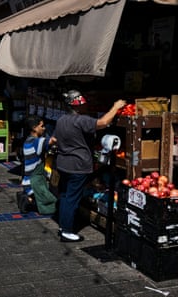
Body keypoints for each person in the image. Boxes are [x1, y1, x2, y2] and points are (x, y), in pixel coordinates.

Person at [53, 89, 126, 242]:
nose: (86, 106)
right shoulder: (81, 120)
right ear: (77, 106)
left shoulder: (61, 120)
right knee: (72, 198)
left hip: (63, 163)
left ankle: (62, 225)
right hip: (77, 166)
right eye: (84, 104)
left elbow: (55, 139)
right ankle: (66, 231)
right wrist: (115, 107)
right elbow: (103, 123)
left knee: (66, 196)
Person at [19, 115, 58, 215]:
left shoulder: (28, 141)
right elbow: (52, 141)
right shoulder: (37, 142)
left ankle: (29, 197)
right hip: (34, 181)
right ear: (34, 128)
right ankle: (28, 200)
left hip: (28, 179)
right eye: (42, 126)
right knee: (50, 204)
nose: (44, 128)